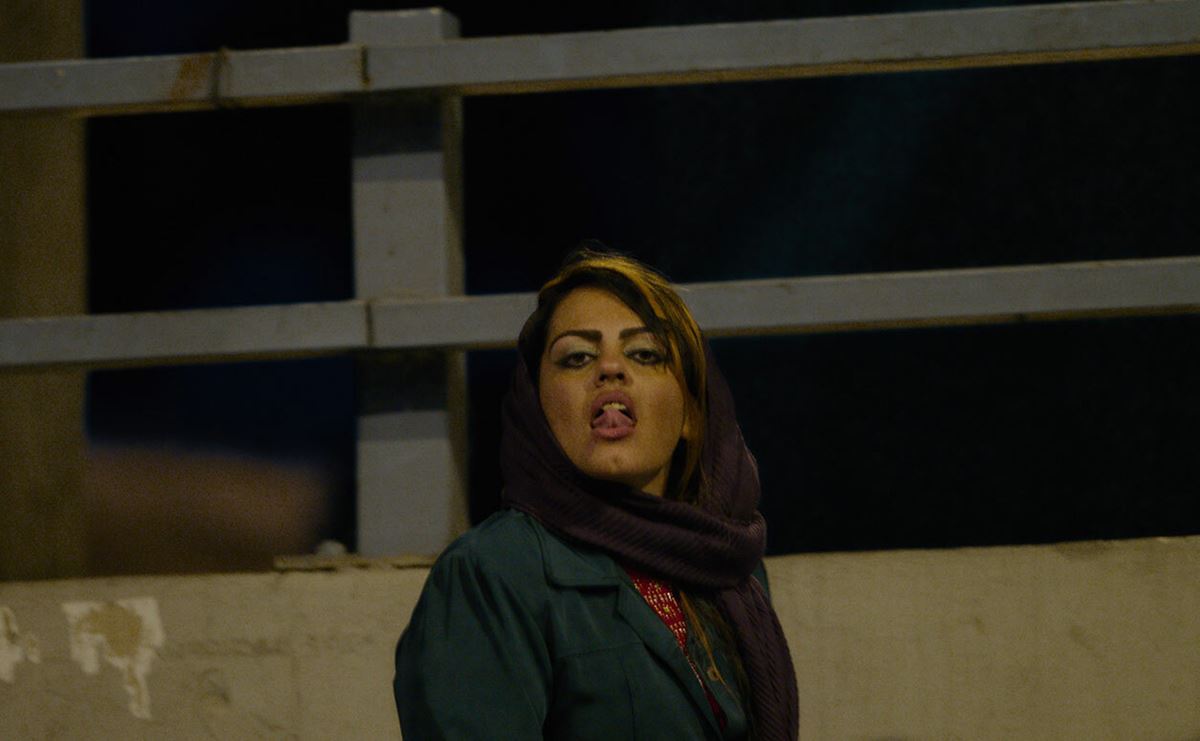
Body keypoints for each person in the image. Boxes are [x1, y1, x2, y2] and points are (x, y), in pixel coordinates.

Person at [394, 247, 798, 740]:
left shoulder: (730, 571)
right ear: (537, 410)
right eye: (577, 357)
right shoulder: (492, 573)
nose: (610, 368)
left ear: (692, 414)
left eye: (644, 354)